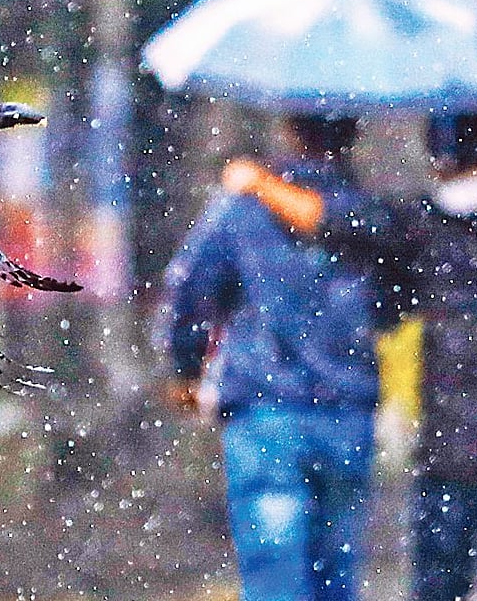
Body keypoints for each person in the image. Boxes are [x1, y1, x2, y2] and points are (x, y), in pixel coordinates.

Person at [225, 111, 477, 601]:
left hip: (448, 443)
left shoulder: (424, 225)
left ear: (436, 161)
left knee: (440, 585)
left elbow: (337, 228)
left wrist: (260, 184)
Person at [163, 115, 390, 601]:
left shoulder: (241, 211)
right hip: (347, 410)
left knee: (275, 574)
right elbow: (395, 301)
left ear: (289, 132)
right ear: (354, 135)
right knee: (337, 568)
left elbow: (191, 290)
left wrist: (187, 369)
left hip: (264, 410)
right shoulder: (372, 213)